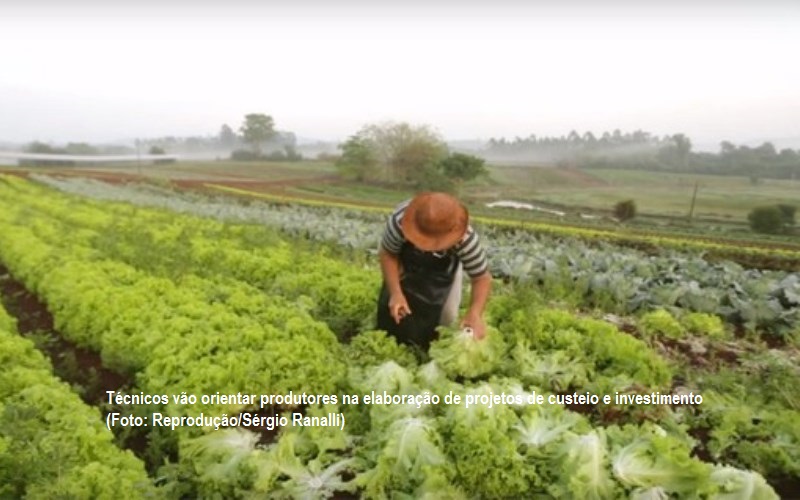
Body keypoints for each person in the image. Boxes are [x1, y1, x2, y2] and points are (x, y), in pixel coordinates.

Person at [376, 192, 492, 350]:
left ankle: (431, 350)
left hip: (445, 274)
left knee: (447, 316)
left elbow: (481, 277)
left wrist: (475, 313)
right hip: (405, 264)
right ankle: (393, 343)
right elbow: (388, 254)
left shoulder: (466, 239)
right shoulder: (399, 221)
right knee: (394, 308)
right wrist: (396, 293)